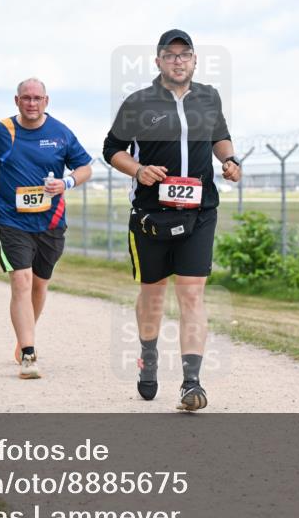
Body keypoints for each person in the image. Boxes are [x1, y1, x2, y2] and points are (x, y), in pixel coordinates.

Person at [103, 29, 241, 411]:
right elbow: (112, 149)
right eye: (170, 55)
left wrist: (229, 159)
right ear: (158, 61)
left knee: (192, 293)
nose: (178, 61)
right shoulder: (138, 102)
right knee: (153, 293)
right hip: (151, 214)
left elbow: (220, 136)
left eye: (185, 54)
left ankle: (191, 383)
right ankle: (148, 354)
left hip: (199, 212)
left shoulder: (209, 98)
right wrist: (138, 169)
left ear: (195, 60)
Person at [0, 78, 93, 380]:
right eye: (26, 98)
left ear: (46, 101)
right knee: (21, 281)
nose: (32, 103)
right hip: (12, 219)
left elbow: (85, 168)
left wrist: (66, 183)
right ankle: (28, 353)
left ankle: (25, 336)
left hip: (51, 221)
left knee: (39, 285)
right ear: (17, 101)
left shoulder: (61, 133)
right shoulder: (3, 130)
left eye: (37, 98)